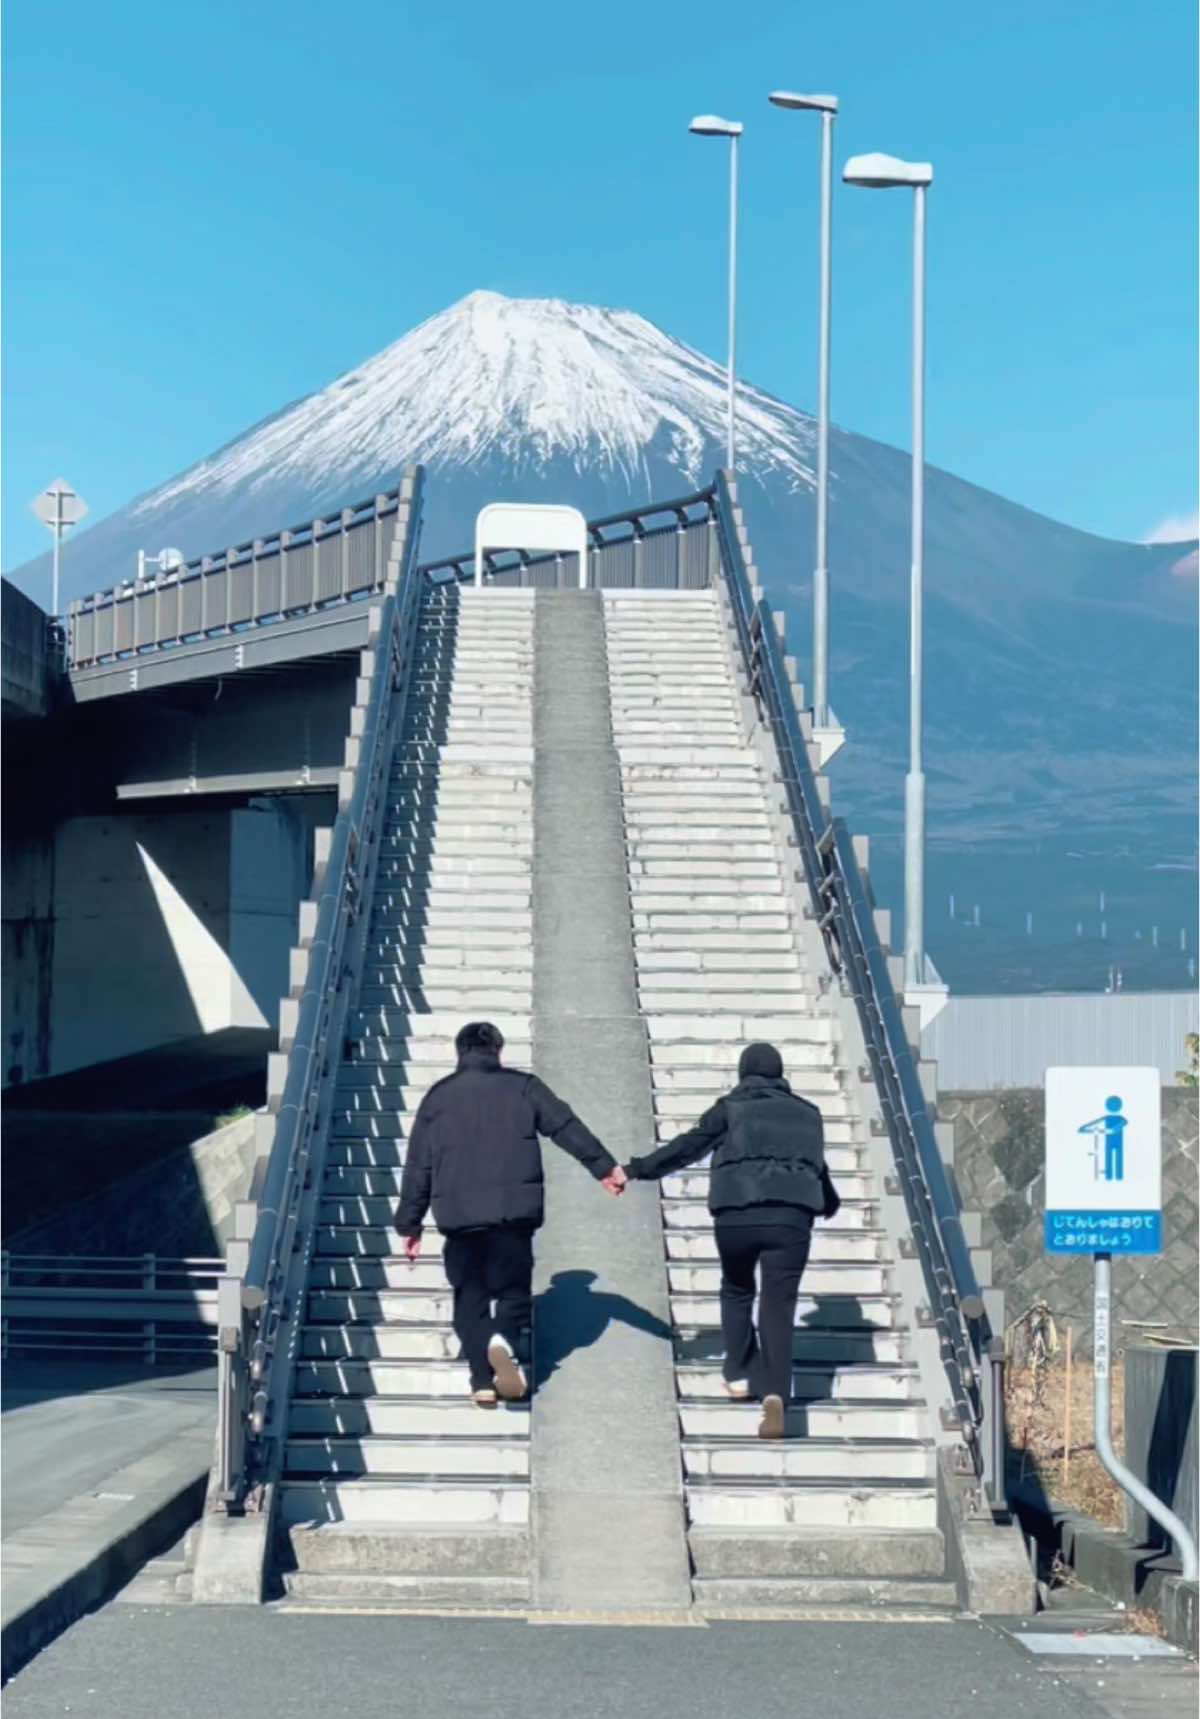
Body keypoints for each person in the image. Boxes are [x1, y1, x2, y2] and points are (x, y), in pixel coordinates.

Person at [396, 1021, 627, 1407]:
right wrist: (603, 1167)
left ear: (459, 1052)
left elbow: (418, 1165)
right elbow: (565, 1126)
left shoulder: (438, 1098)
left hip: (459, 1219)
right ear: (498, 1051)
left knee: (469, 1299)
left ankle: (481, 1381)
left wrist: (409, 1223)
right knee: (513, 1292)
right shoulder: (523, 1087)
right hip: (511, 1217)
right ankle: (504, 1336)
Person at [623, 1041, 839, 1440]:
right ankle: (775, 1392)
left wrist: (639, 1170)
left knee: (737, 1289)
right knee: (779, 1303)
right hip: (792, 1220)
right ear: (780, 1076)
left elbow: (688, 1147)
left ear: (744, 1075)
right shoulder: (810, 1115)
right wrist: (829, 1202)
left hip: (737, 1216)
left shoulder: (730, 1108)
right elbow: (816, 1167)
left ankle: (738, 1374)